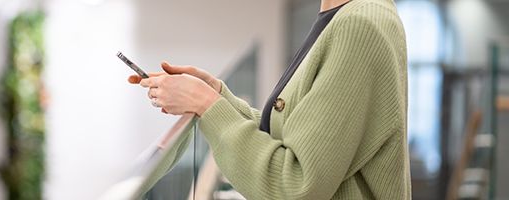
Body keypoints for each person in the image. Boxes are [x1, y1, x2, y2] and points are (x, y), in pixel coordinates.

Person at [128, 0, 410, 198]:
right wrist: (216, 95)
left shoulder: (359, 24)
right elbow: (292, 136)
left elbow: (295, 185)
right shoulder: (343, 17)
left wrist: (206, 104)